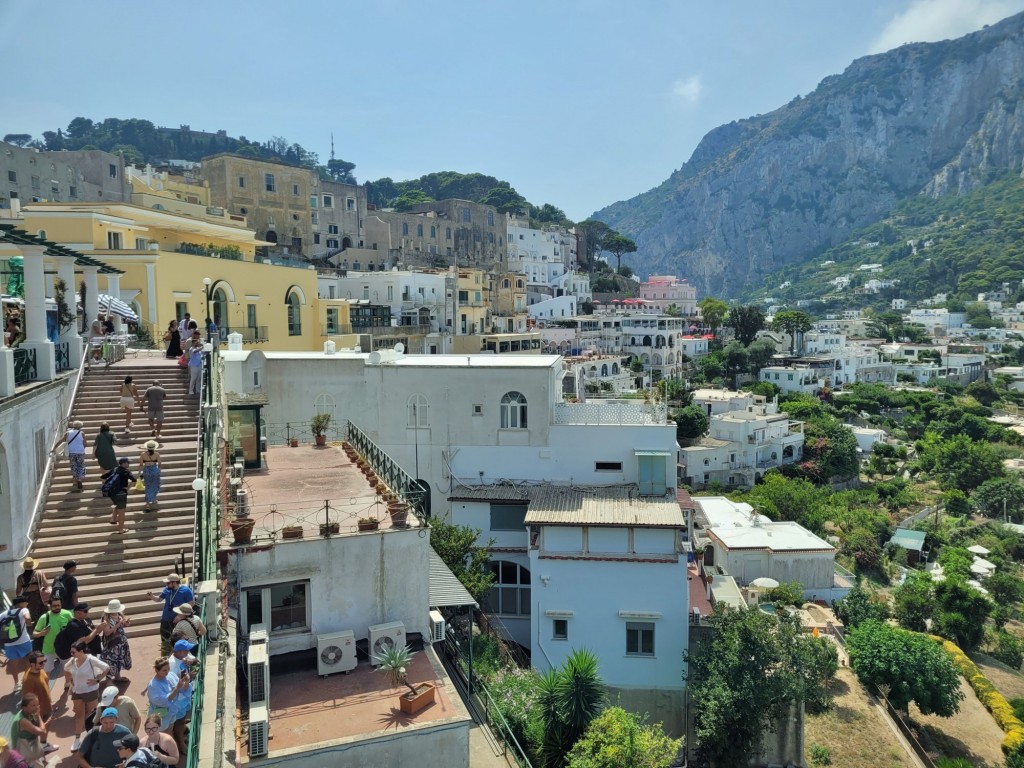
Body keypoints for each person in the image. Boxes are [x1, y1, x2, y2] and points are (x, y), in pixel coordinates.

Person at [68, 641, 110, 751]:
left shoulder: (91, 660)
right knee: (79, 716)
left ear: (81, 651)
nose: (71, 654)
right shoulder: (73, 660)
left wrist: (98, 679)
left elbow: (106, 668)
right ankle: (77, 740)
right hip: (77, 691)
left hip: (90, 691)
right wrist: (71, 679)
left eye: (73, 652)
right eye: (71, 652)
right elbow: (66, 669)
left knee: (94, 716)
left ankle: (96, 738)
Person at [144, 658, 189, 753]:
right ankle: (164, 754)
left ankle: (172, 750)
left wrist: (187, 681)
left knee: (169, 733)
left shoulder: (170, 675)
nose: (167, 672)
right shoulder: (153, 686)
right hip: (161, 716)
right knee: (161, 737)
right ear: (157, 670)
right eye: (164, 670)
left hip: (171, 712)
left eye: (168, 669)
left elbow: (183, 690)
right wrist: (177, 688)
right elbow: (164, 701)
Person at [32, 596, 72, 679]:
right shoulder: (44, 617)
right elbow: (34, 633)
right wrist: (41, 633)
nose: (57, 607)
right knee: (46, 672)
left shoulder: (67, 614)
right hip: (48, 649)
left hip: (64, 648)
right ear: (50, 606)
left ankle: (68, 683)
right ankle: (45, 686)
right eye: (54, 606)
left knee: (68, 669)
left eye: (58, 605)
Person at [147, 574, 194, 643]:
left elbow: (191, 604)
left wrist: (180, 616)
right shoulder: (166, 589)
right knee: (165, 640)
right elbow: (159, 599)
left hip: (179, 620)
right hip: (165, 619)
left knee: (178, 640)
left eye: (168, 583)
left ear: (174, 583)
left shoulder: (186, 590)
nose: (166, 584)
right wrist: (152, 596)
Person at [10, 693, 52, 765]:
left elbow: (39, 728)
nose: (37, 708)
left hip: (29, 747)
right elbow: (42, 732)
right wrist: (38, 715)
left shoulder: (29, 713)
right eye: (33, 706)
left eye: (37, 705)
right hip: (22, 752)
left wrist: (44, 724)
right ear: (24, 707)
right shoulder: (23, 721)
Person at [3, 596, 33, 693]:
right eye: (26, 602)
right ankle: (26, 679)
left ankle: (16, 683)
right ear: (22, 603)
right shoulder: (23, 610)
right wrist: (29, 624)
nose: (27, 604)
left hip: (9, 643)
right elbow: (27, 618)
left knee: (13, 663)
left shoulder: (4, 614)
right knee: (28, 659)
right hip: (24, 641)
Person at [98, 599, 132, 682]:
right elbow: (107, 633)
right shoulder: (106, 619)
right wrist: (117, 625)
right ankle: (108, 681)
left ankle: (117, 677)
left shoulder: (119, 615)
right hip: (112, 644)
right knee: (111, 661)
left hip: (121, 641)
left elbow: (123, 625)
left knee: (119, 660)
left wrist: (126, 623)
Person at [101, 458, 135, 535]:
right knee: (122, 512)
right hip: (121, 493)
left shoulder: (114, 469)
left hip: (112, 493)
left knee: (119, 505)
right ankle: (121, 529)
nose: (129, 464)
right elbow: (134, 480)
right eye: (128, 462)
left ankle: (113, 519)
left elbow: (103, 477)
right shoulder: (127, 471)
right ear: (124, 464)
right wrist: (127, 488)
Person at [52, 419, 88, 491]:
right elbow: (85, 443)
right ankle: (79, 479)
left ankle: (75, 480)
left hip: (71, 452)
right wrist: (82, 448)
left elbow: (61, 441)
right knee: (81, 465)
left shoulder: (68, 433)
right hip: (80, 452)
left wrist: (54, 448)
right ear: (80, 426)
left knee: (74, 465)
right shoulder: (82, 433)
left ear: (74, 426)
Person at [20, 652, 51, 722]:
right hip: (38, 714)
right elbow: (27, 699)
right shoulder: (28, 680)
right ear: (32, 664)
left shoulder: (40, 670)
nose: (43, 663)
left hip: (46, 706)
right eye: (41, 662)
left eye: (44, 661)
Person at [15, 557, 47, 623]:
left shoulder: (20, 577)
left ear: (24, 567)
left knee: (29, 614)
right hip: (38, 596)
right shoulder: (39, 573)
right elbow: (46, 585)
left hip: (26, 598)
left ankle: (31, 627)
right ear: (33, 566)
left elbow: (18, 592)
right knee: (41, 614)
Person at [138, 441, 161, 513]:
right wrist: (159, 471)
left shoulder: (143, 454)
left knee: (148, 486)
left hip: (147, 471)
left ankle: (147, 504)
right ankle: (153, 499)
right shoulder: (157, 454)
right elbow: (159, 464)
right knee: (155, 485)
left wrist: (139, 473)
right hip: (154, 470)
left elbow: (141, 464)